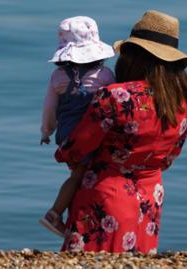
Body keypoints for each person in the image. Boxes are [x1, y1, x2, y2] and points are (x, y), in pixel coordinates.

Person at [55, 10, 187, 253]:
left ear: (134, 57)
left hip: (105, 196)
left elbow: (75, 150)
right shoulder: (185, 104)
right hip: (150, 197)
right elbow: (168, 159)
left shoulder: (116, 97)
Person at [39, 16, 115, 237]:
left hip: (66, 135)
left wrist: (46, 131)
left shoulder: (58, 77)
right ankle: (54, 214)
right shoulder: (105, 75)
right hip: (91, 135)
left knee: (78, 174)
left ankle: (78, 221)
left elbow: (49, 108)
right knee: (82, 176)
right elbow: (114, 104)